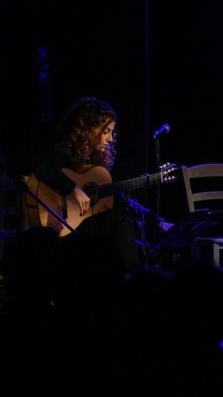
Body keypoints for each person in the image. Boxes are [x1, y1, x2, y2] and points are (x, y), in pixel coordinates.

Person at [26, 96, 141, 276]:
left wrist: (156, 220)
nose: (110, 138)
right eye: (106, 131)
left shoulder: (94, 164)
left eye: (112, 133)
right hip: (65, 230)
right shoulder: (68, 154)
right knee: (119, 219)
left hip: (85, 231)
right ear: (90, 128)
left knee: (123, 220)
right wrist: (74, 188)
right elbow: (43, 168)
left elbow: (120, 198)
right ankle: (132, 278)